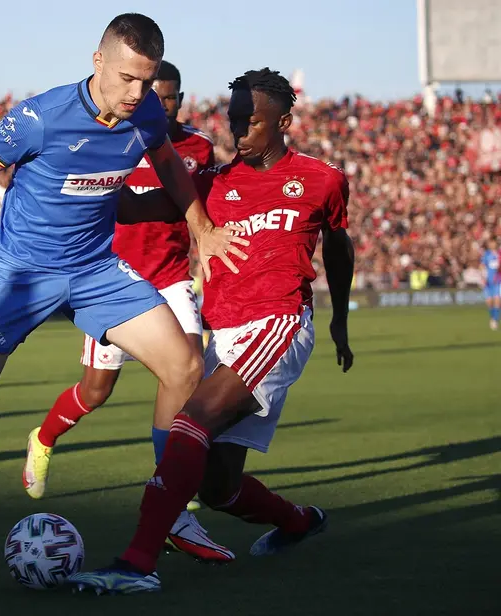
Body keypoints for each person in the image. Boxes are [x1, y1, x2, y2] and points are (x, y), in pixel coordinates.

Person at [0, 13, 247, 556]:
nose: (138, 93)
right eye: (128, 78)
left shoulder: (148, 112)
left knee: (185, 367)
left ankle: (170, 508)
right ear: (98, 61)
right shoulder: (40, 117)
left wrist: (201, 227)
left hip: (96, 269)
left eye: (148, 80)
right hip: (21, 274)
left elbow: (169, 164)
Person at [69, 67, 355, 594]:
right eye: (234, 119)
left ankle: (136, 564)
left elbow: (338, 244)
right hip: (223, 333)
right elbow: (140, 206)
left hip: (278, 323)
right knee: (217, 485)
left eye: (252, 121)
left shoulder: (322, 178)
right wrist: (83, 181)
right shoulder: (212, 182)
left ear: (283, 122)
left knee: (189, 424)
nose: (239, 129)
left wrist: (339, 317)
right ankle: (298, 522)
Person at [22, 59, 232, 562]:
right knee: (97, 390)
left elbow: (201, 208)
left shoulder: (198, 148)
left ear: (181, 99)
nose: (164, 104)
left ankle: (168, 490)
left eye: (172, 96)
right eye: (157, 95)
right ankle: (43, 438)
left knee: (187, 370)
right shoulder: (112, 137)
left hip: (172, 277)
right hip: (113, 280)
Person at [480, 239, 500, 330]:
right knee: (489, 302)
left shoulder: (499, 254)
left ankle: (495, 320)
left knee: (497, 300)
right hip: (488, 282)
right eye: (490, 243)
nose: (491, 244)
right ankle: (492, 317)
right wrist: (483, 275)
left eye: (493, 243)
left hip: (498, 281)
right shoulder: (486, 254)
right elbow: (482, 266)